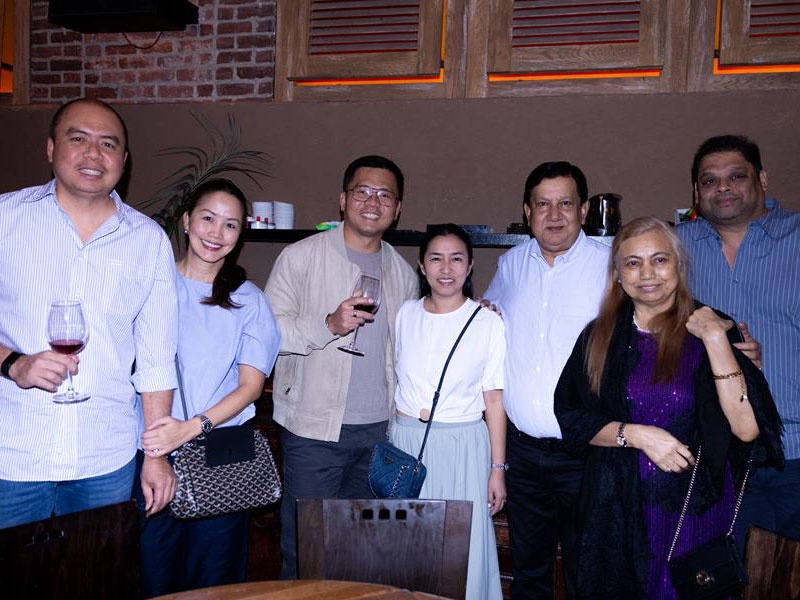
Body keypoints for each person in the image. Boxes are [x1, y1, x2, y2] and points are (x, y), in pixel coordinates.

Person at [554, 216, 784, 598]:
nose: (647, 273)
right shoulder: (599, 337)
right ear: (618, 275)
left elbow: (747, 429)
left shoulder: (715, 326)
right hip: (616, 510)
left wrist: (715, 339)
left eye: (659, 259)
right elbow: (572, 417)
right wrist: (639, 436)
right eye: (633, 262)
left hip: (693, 511)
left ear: (679, 264)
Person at [0, 98, 178, 529]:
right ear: (51, 148)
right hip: (12, 453)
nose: (94, 154)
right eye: (78, 139)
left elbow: (156, 359)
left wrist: (156, 457)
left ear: (124, 160)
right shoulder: (5, 218)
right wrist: (13, 363)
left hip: (105, 458)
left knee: (97, 568)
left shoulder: (148, 240)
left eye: (108, 144)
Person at [264, 155, 418, 578]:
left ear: (397, 208)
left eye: (384, 195)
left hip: (378, 435)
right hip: (313, 431)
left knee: (359, 552)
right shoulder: (300, 257)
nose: (373, 202)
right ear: (343, 199)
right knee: (307, 548)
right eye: (362, 191)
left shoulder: (402, 273)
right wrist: (329, 325)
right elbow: (268, 333)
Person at [133, 179, 281, 596]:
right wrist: (161, 445)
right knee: (153, 575)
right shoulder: (150, 285)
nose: (217, 233)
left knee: (215, 582)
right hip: (149, 452)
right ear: (186, 221)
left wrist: (188, 428)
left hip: (219, 454)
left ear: (240, 234)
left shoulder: (248, 300)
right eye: (208, 219)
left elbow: (251, 387)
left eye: (230, 225)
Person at [483, 161, 609, 599]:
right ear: (527, 211)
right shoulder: (510, 265)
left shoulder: (612, 267)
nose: (554, 215)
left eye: (565, 204)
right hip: (522, 455)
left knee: (586, 574)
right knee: (529, 574)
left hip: (587, 454)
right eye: (542, 204)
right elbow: (487, 327)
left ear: (584, 210)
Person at [677, 134, 800, 549]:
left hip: (794, 452)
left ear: (762, 179)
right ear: (696, 192)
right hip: (713, 457)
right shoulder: (674, 249)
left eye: (736, 176)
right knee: (721, 573)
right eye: (709, 181)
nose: (722, 188)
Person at [392, 224, 506, 600]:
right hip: (407, 444)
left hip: (463, 446)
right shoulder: (404, 314)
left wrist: (497, 469)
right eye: (435, 258)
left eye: (456, 258)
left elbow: (494, 401)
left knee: (462, 550)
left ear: (470, 265)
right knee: (408, 550)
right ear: (421, 266)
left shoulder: (488, 322)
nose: (446, 268)